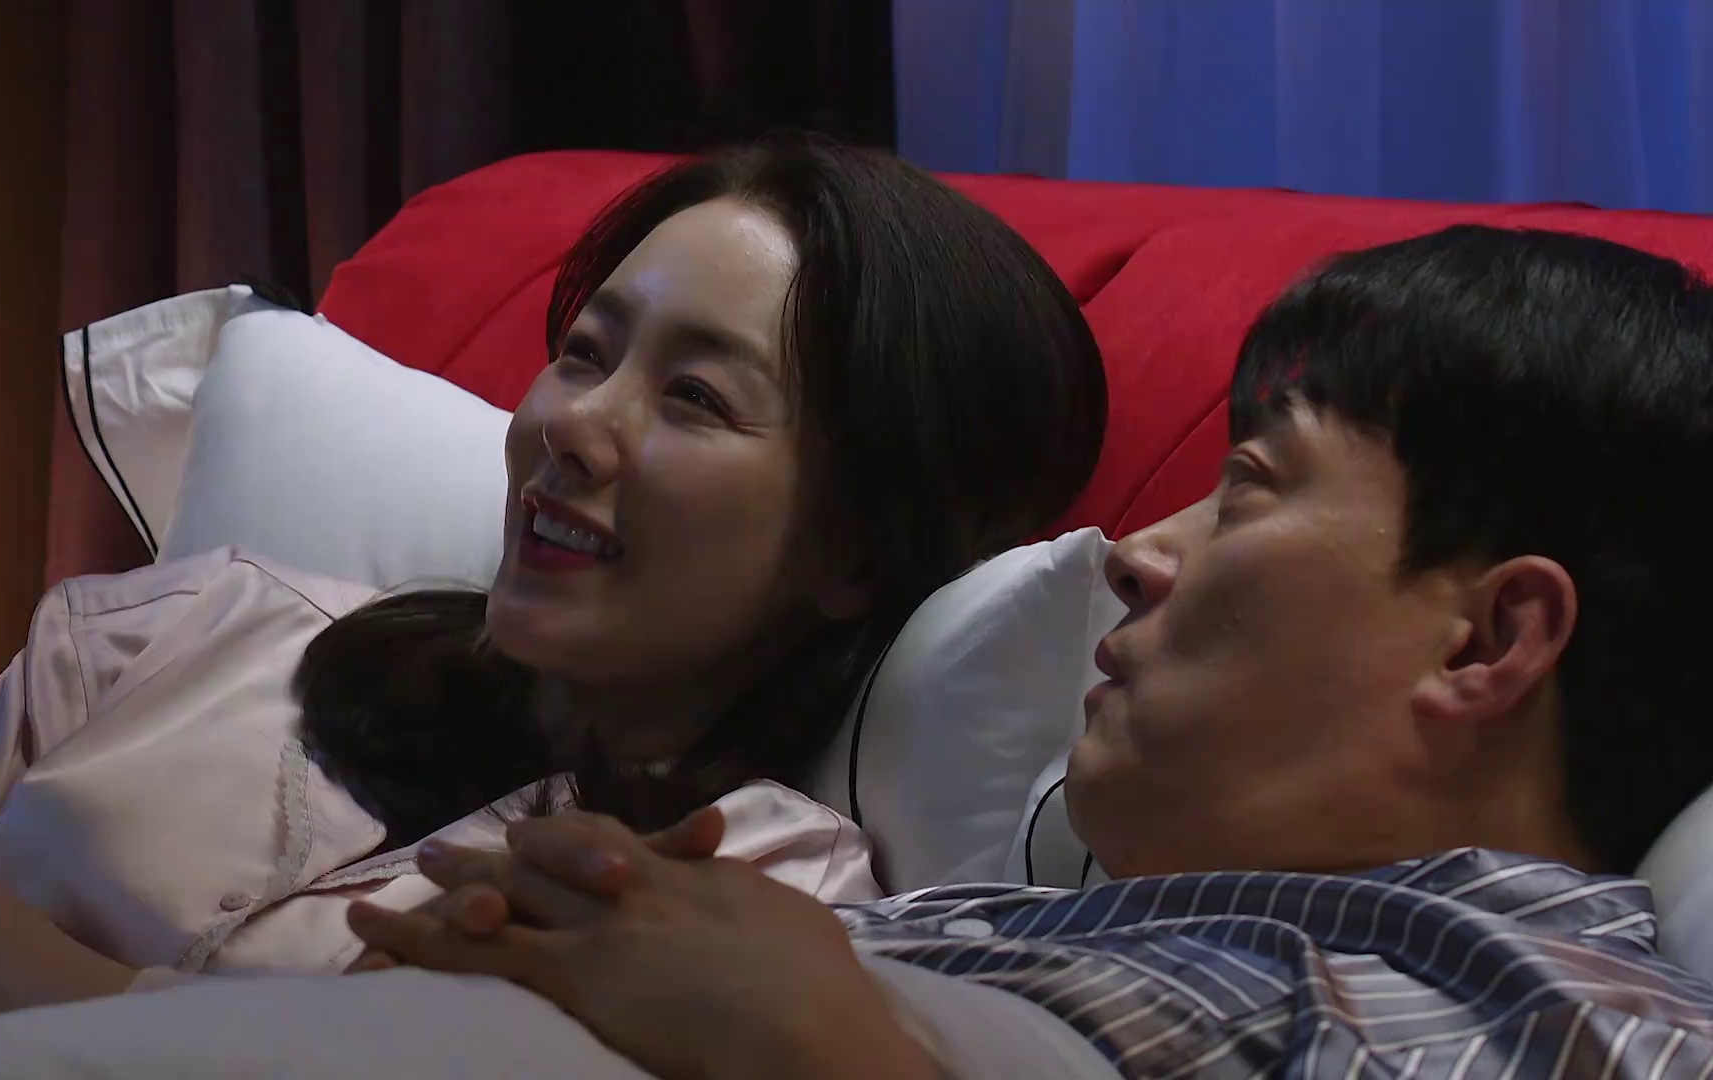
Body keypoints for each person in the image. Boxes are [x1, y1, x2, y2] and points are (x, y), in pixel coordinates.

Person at [349, 226, 1713, 1079]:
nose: (1135, 554)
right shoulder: (988, 919)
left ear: (1487, 641)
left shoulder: (1564, 1016)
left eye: (1248, 489)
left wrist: (822, 1055)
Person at [0, 139, 1108, 1022]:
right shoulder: (205, 626)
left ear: (858, 551)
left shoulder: (758, 892)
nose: (571, 425)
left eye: (697, 397)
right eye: (585, 353)